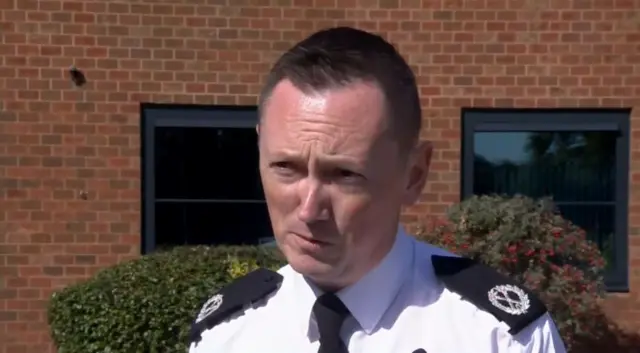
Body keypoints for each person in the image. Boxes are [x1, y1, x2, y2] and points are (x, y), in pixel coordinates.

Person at [188, 26, 567, 353]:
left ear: (414, 175)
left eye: (344, 175)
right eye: (286, 168)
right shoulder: (227, 335)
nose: (308, 209)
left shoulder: (495, 337)